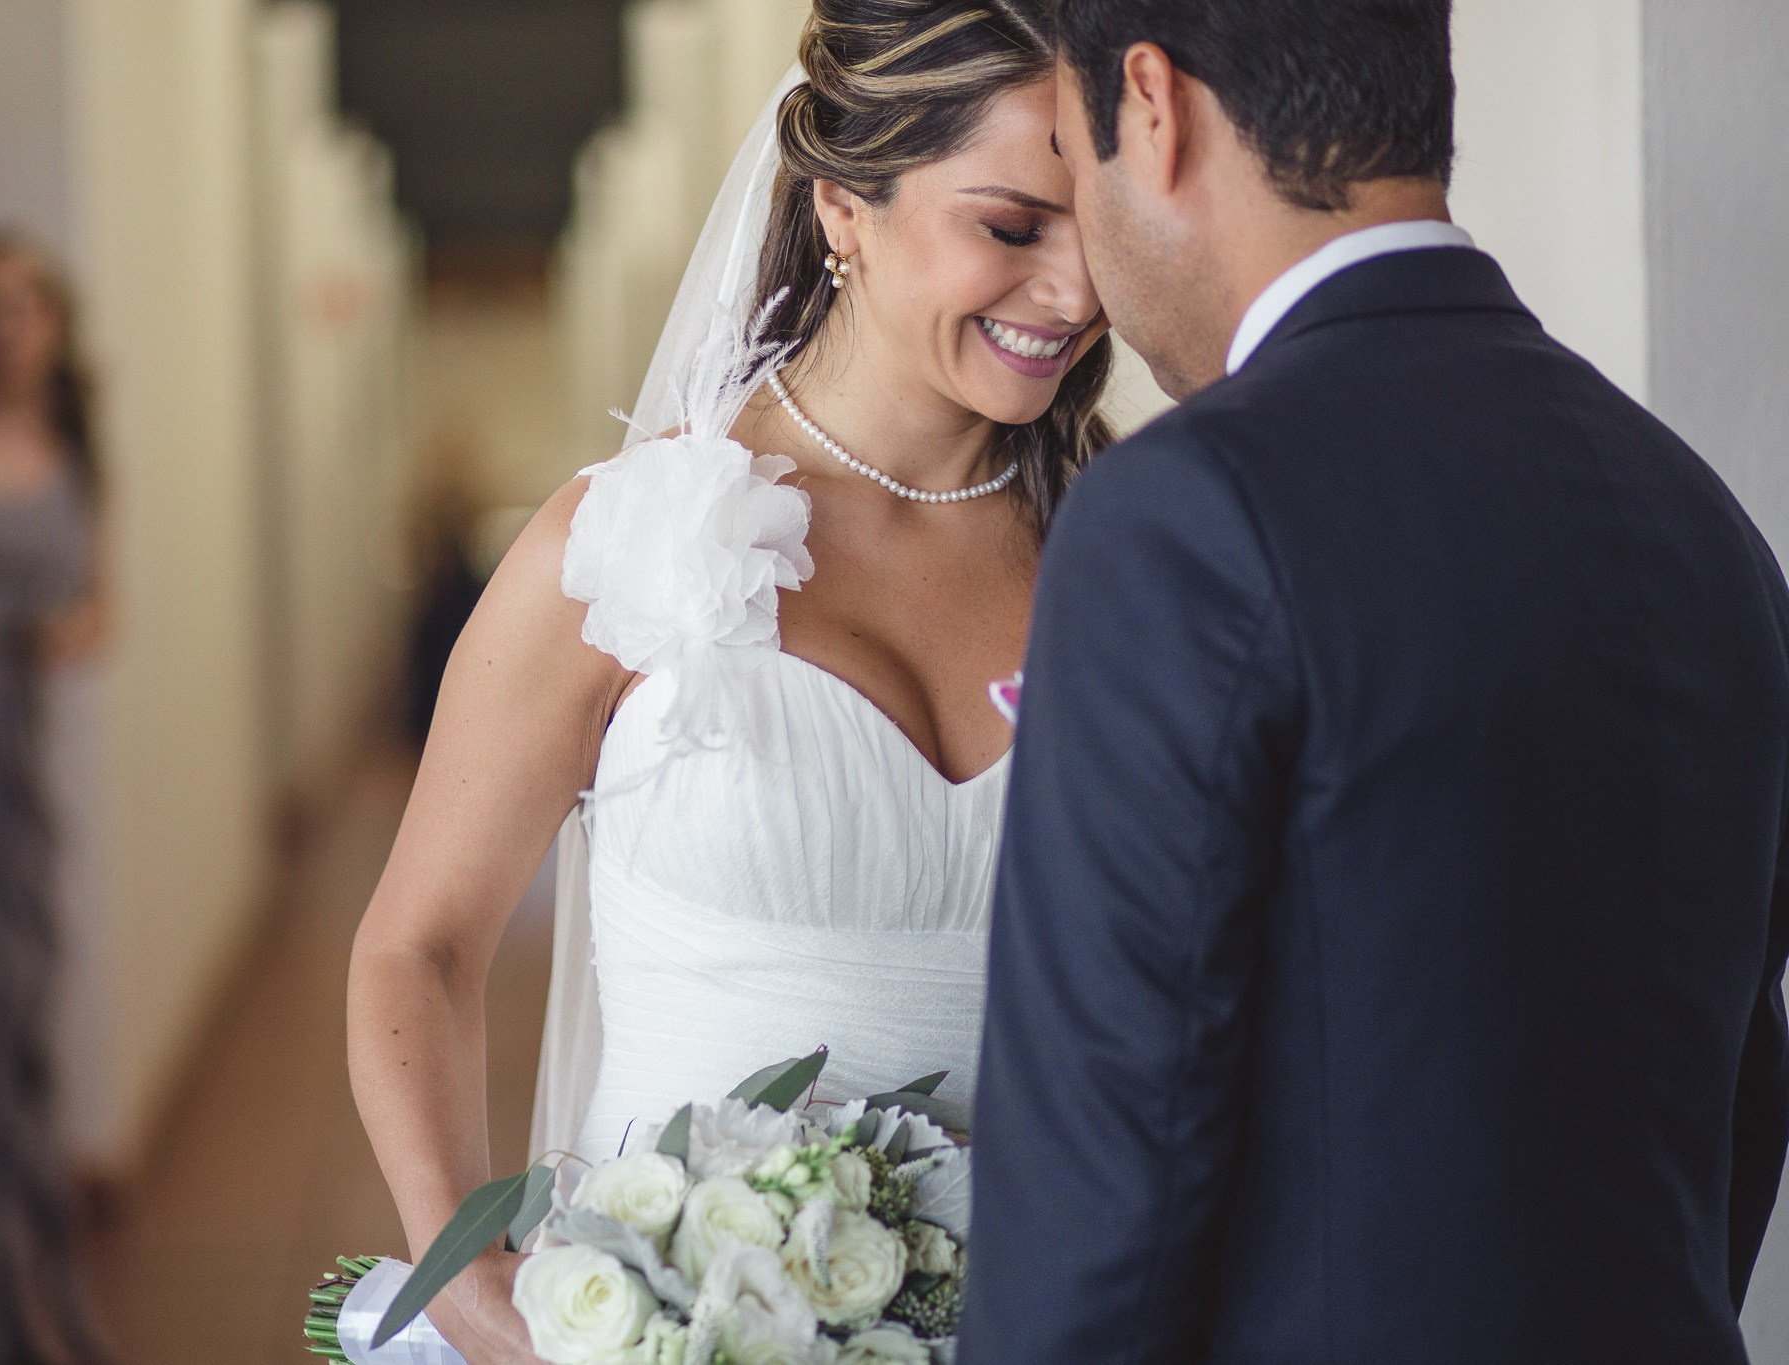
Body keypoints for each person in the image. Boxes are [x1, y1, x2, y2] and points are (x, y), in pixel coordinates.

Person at [963, 1, 1789, 1361]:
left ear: (1153, 112)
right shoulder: (1695, 521)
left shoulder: (1182, 516)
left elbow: (1099, 1192)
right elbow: (1736, 1101)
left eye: (1074, 150)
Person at [347, 2, 1112, 1359]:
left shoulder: (1127, 550)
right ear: (844, 212)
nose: (1072, 292)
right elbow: (424, 942)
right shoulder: (635, 540)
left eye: (1095, 225)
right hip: (670, 1325)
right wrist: (466, 1278)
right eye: (1011, 225)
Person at [0, 230, 117, 1365]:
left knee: (23, 994)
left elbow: (100, 613)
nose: (7, 328)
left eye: (25, 307)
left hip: (14, 749)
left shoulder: (73, 446)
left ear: (54, 323)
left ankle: (40, 1272)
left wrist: (45, 633)